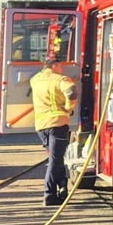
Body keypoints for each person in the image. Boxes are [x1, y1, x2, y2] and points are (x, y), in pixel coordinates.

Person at [30, 59, 78, 207]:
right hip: (57, 123)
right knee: (55, 160)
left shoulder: (35, 79)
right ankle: (49, 194)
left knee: (55, 158)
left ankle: (62, 185)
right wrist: (69, 108)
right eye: (61, 66)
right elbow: (71, 92)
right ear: (55, 66)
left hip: (40, 126)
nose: (62, 69)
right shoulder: (61, 80)